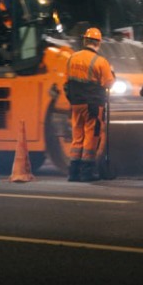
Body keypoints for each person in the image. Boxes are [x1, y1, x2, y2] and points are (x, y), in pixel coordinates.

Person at [63, 27, 114, 182]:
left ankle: (73, 172)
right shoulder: (100, 61)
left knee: (77, 136)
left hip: (76, 104)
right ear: (98, 43)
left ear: (85, 41)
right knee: (91, 136)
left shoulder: (71, 58)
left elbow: (66, 82)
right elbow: (109, 83)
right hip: (92, 105)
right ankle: (87, 172)